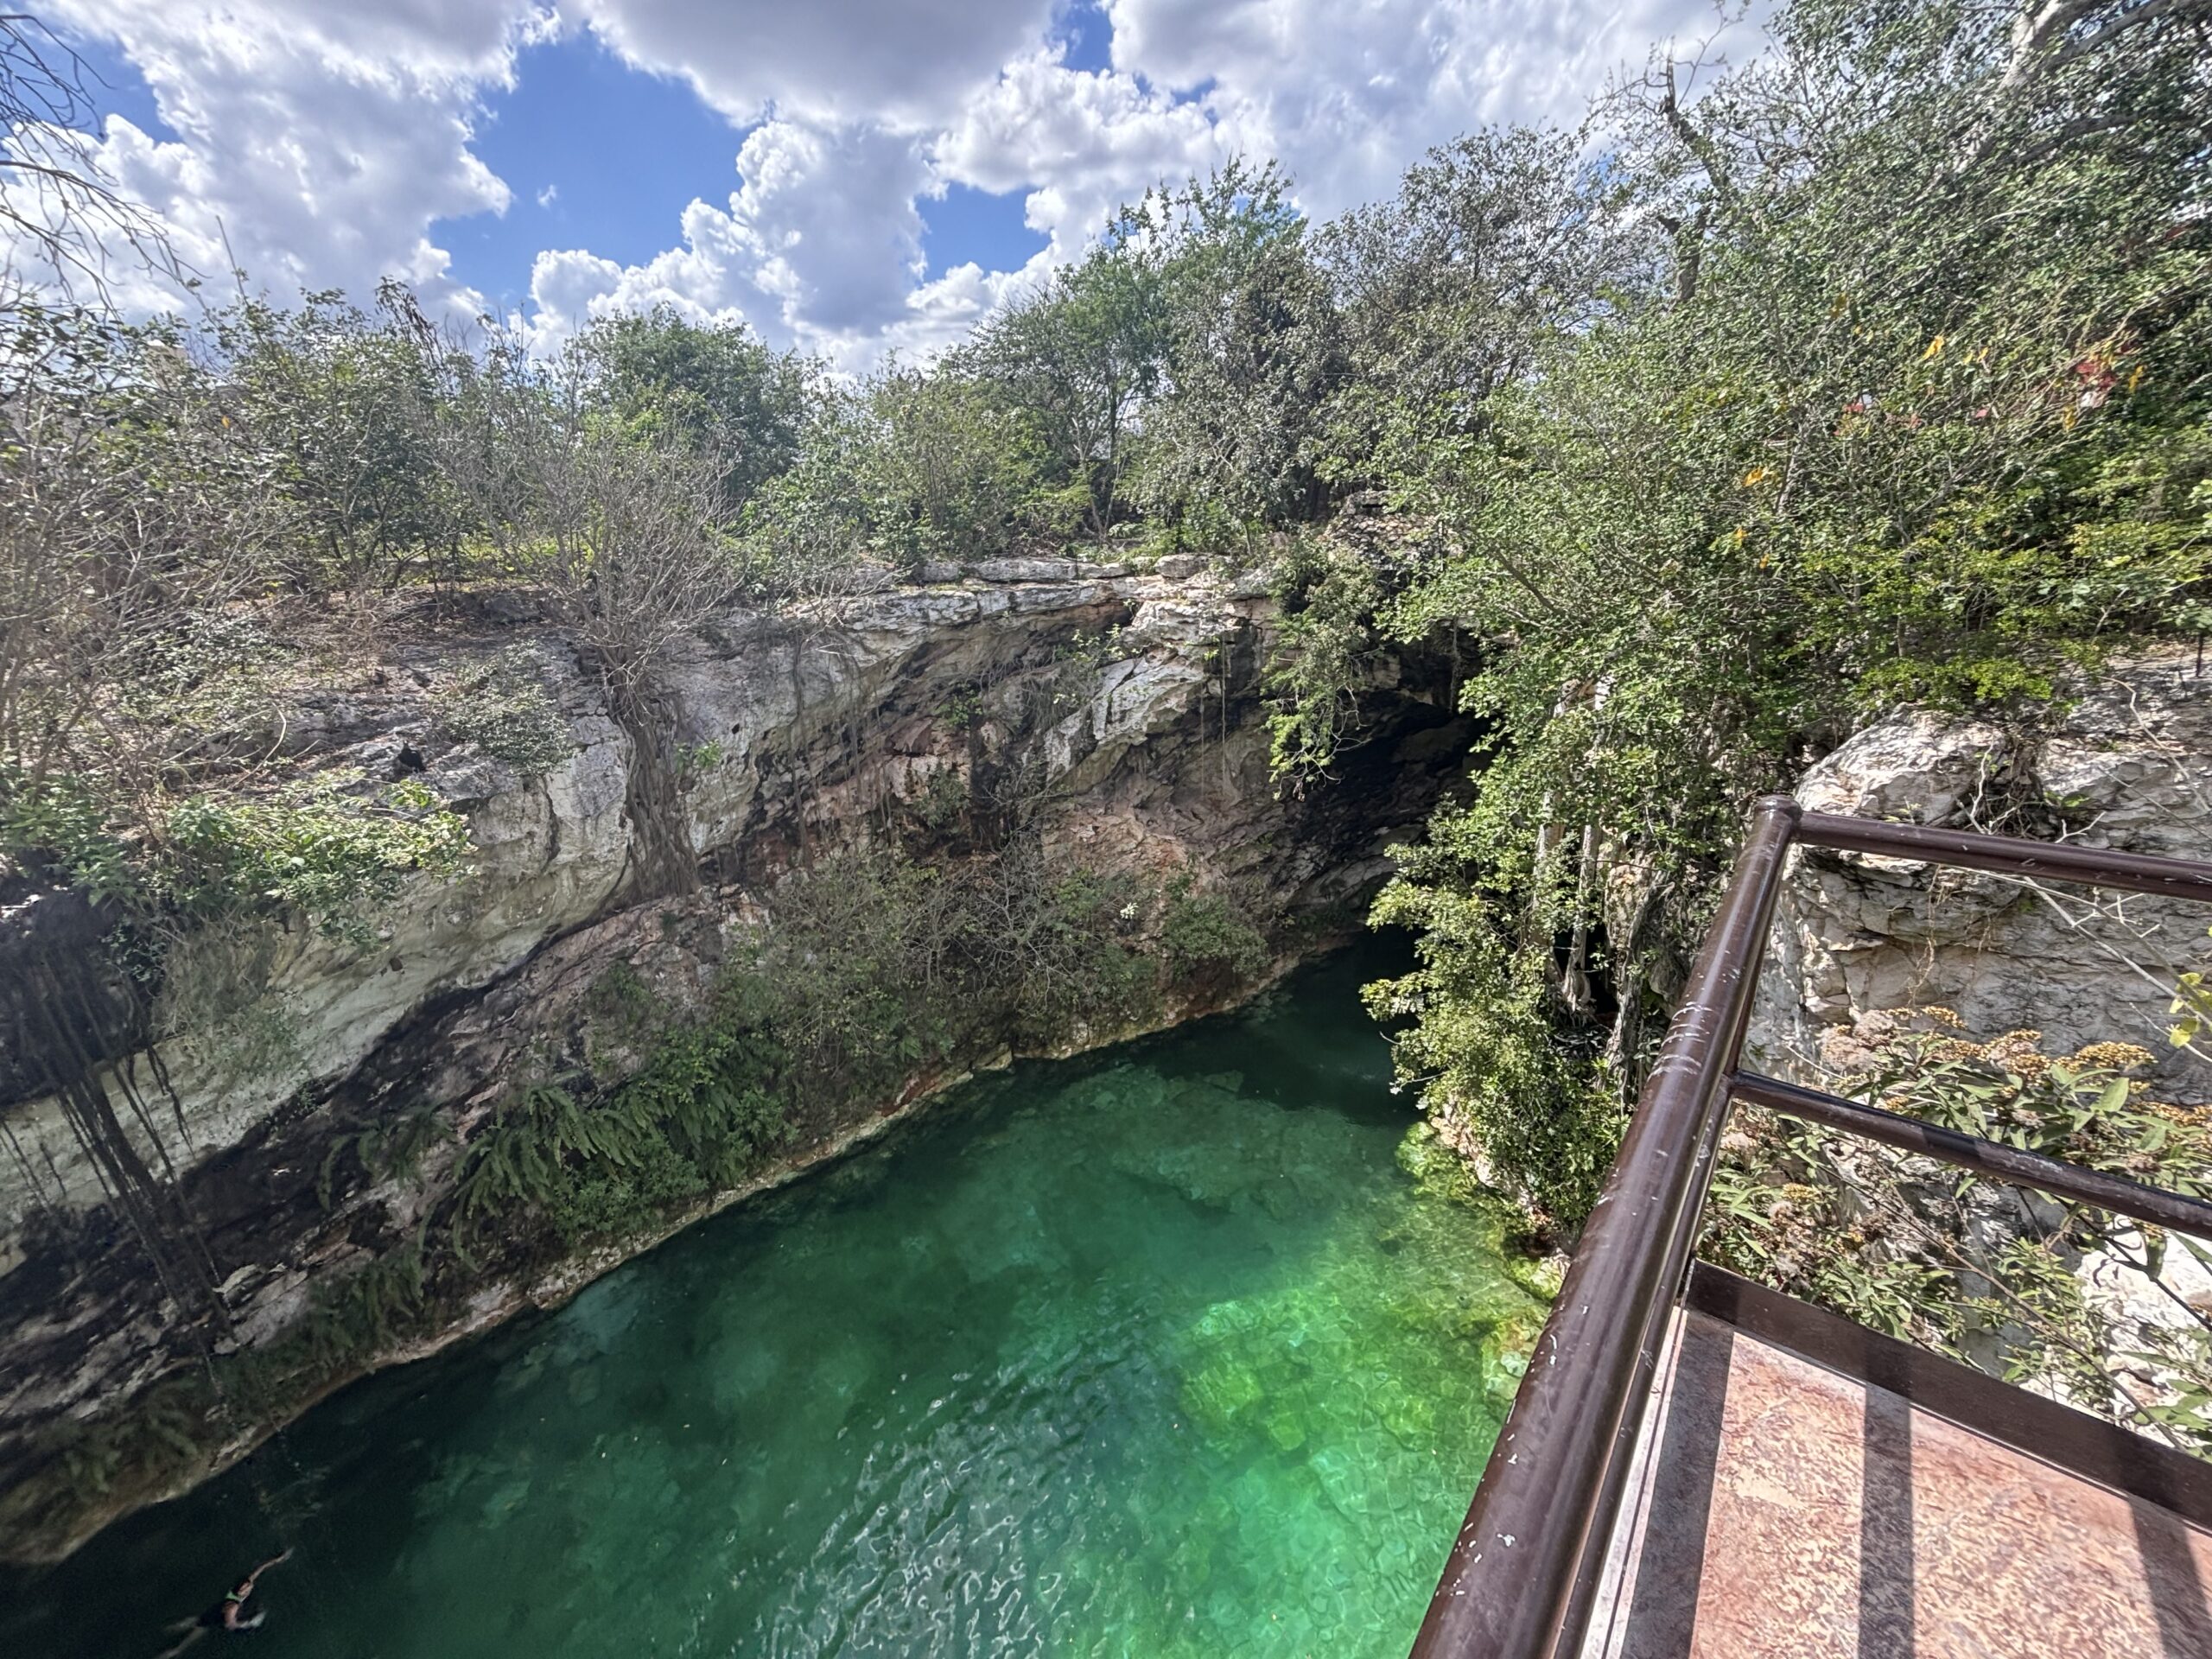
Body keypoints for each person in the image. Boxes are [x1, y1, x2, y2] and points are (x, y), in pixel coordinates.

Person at [155, 1549, 292, 1656]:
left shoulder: (235, 1592)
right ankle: (169, 1653)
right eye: (247, 1588)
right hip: (209, 1621)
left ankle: (164, 1629)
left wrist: (276, 1560)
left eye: (248, 1586)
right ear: (242, 1592)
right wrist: (249, 1623)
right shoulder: (233, 1606)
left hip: (209, 1613)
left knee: (190, 1622)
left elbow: (258, 1571)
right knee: (183, 1645)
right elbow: (230, 1624)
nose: (249, 1586)